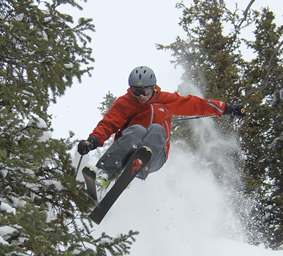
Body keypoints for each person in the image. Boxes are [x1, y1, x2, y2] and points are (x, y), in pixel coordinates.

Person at [78, 66, 245, 193]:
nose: (142, 96)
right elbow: (108, 123)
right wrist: (93, 140)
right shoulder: (126, 102)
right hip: (125, 152)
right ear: (131, 89)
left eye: (146, 91)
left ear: (153, 88)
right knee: (136, 130)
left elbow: (195, 104)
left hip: (155, 156)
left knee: (157, 129)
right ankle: (103, 177)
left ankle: (135, 169)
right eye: (137, 92)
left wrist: (227, 108)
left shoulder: (166, 100)